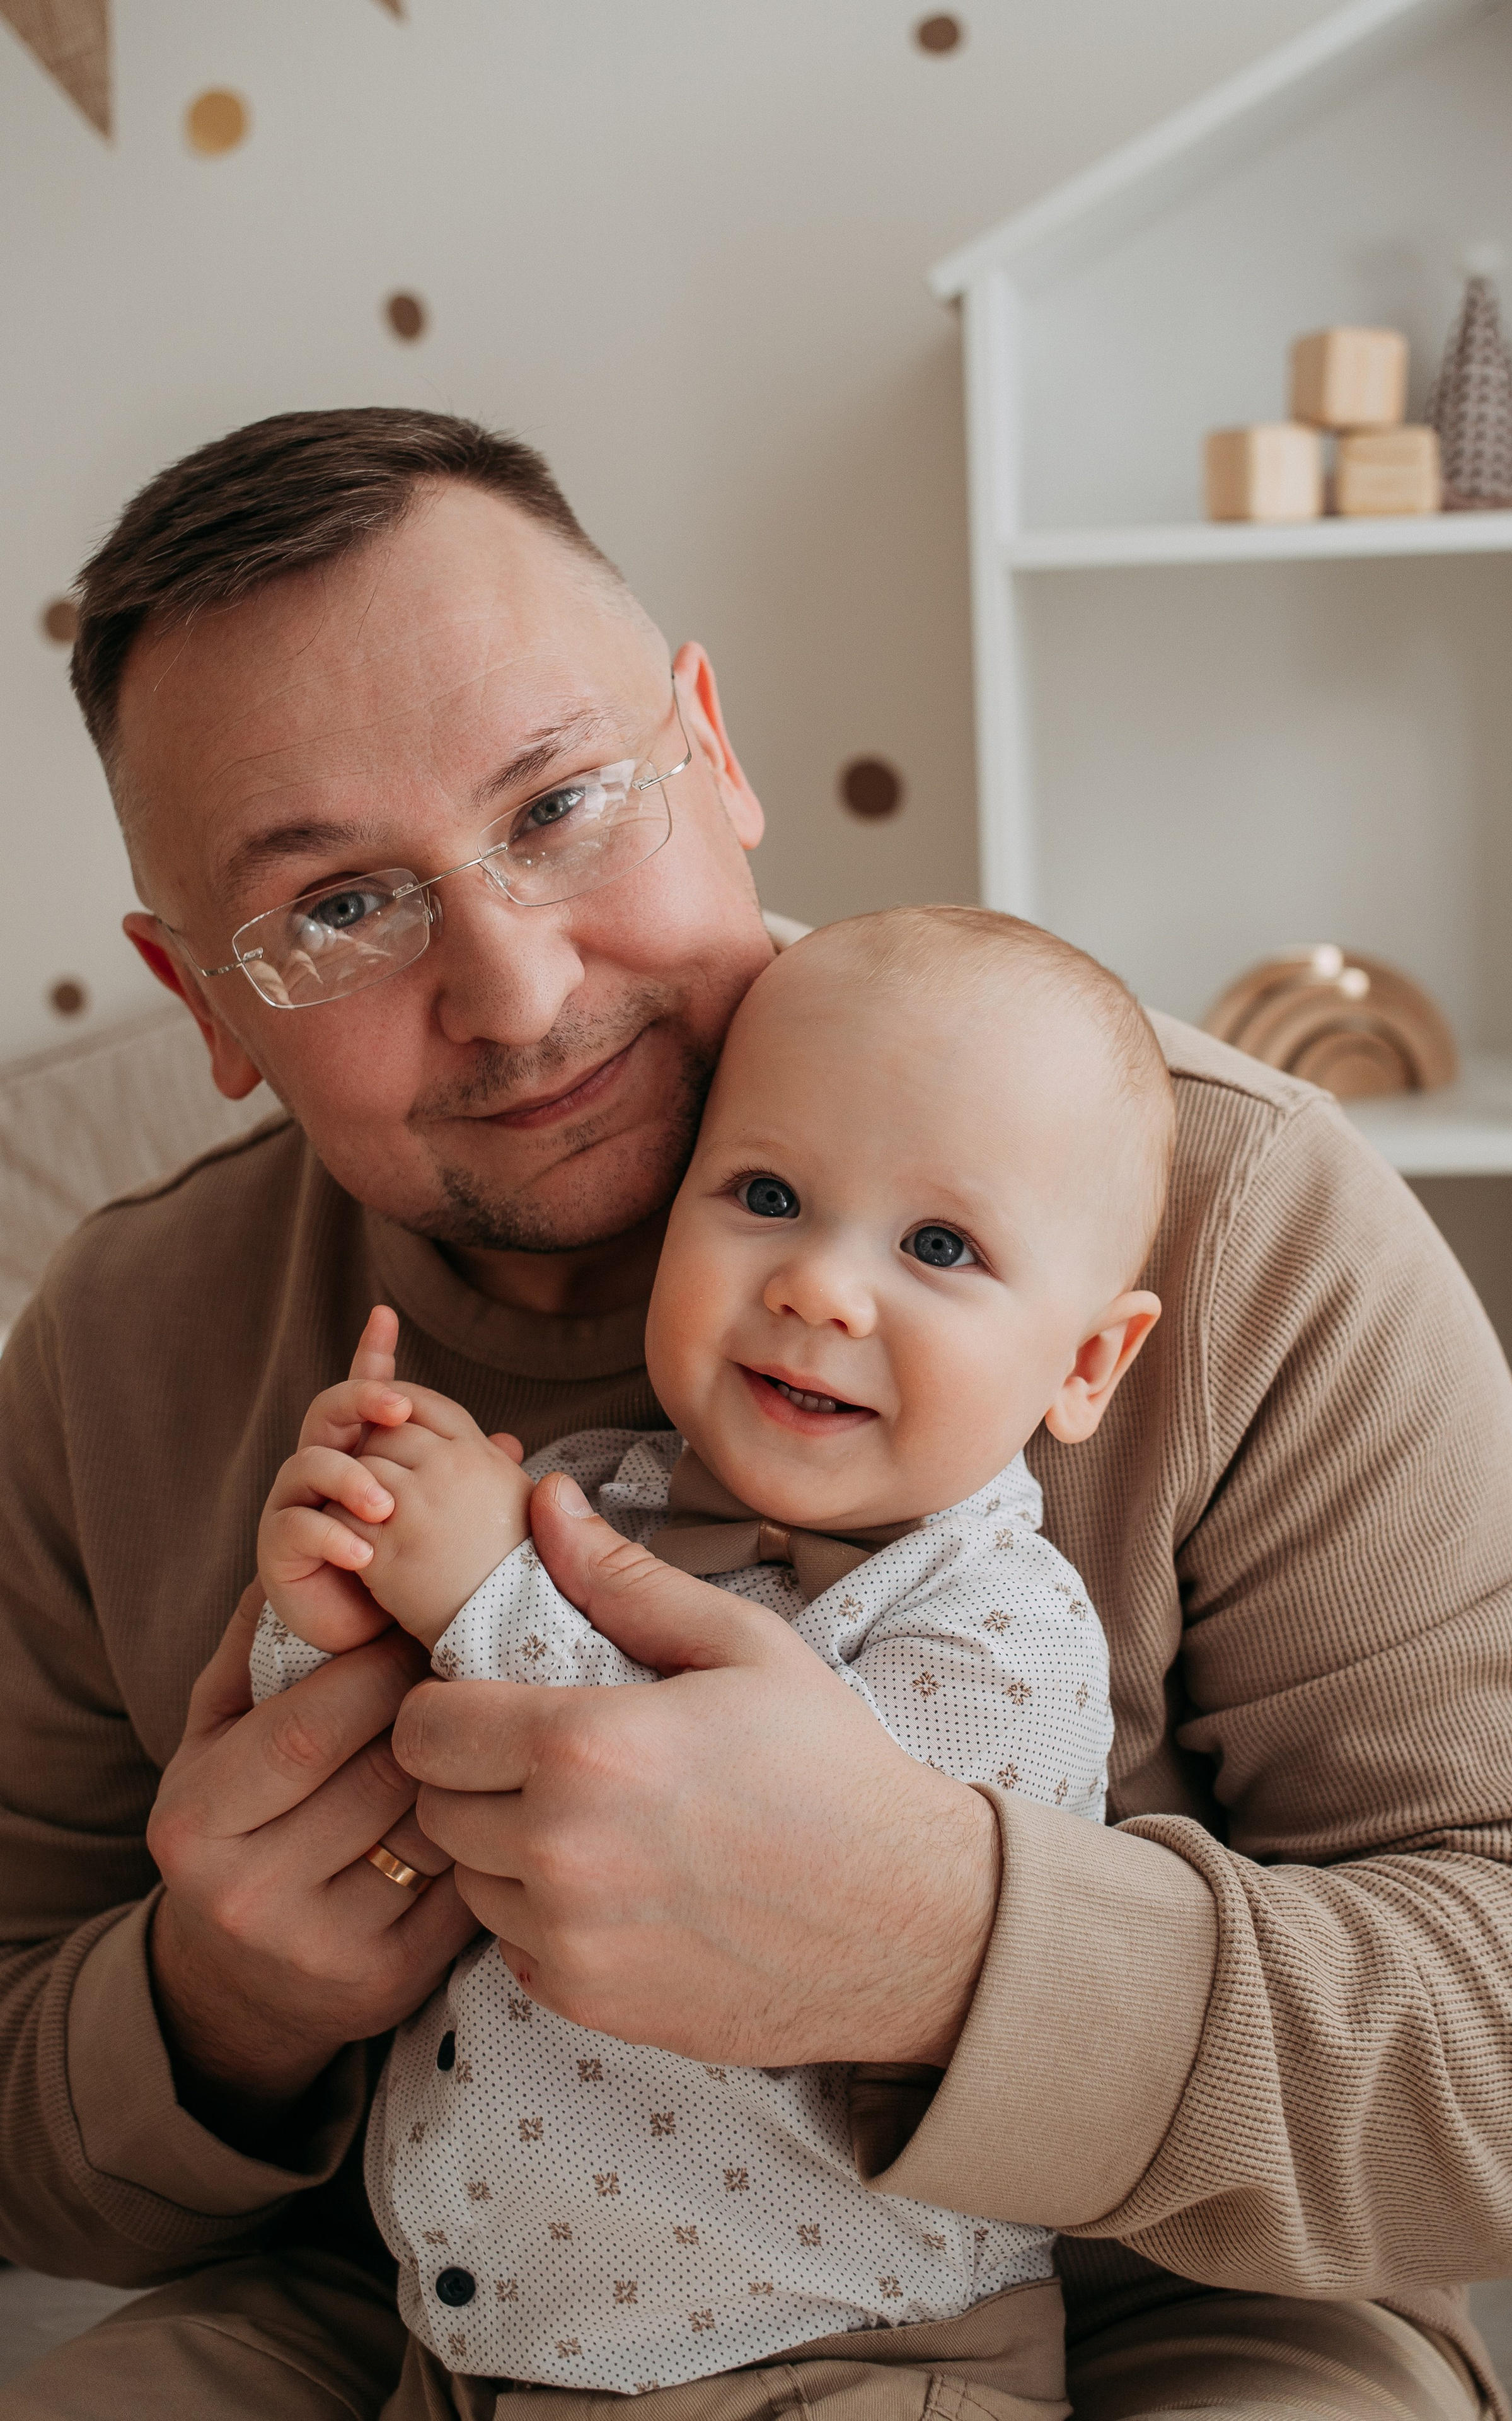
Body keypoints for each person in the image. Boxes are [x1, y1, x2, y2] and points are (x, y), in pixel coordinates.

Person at [1, 408, 1512, 2421]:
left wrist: (944, 1946)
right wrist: (208, 2007)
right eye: (335, 910)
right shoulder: (122, 1338)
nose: (513, 989)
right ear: (204, 1003)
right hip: (388, 2301)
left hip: (1146, 2306)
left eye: (564, 802)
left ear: (715, 752)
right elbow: (31, 2135)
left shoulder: (1228, 1214)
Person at [249, 906, 1164, 2411]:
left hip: (838, 2352)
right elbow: (360, 1796)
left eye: (938, 1244)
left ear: (1082, 1365)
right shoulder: (574, 1494)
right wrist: (336, 1599)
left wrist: (478, 1586)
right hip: (480, 2338)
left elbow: (742, 1844)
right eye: (765, 1192)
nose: (816, 1285)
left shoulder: (1005, 1622)